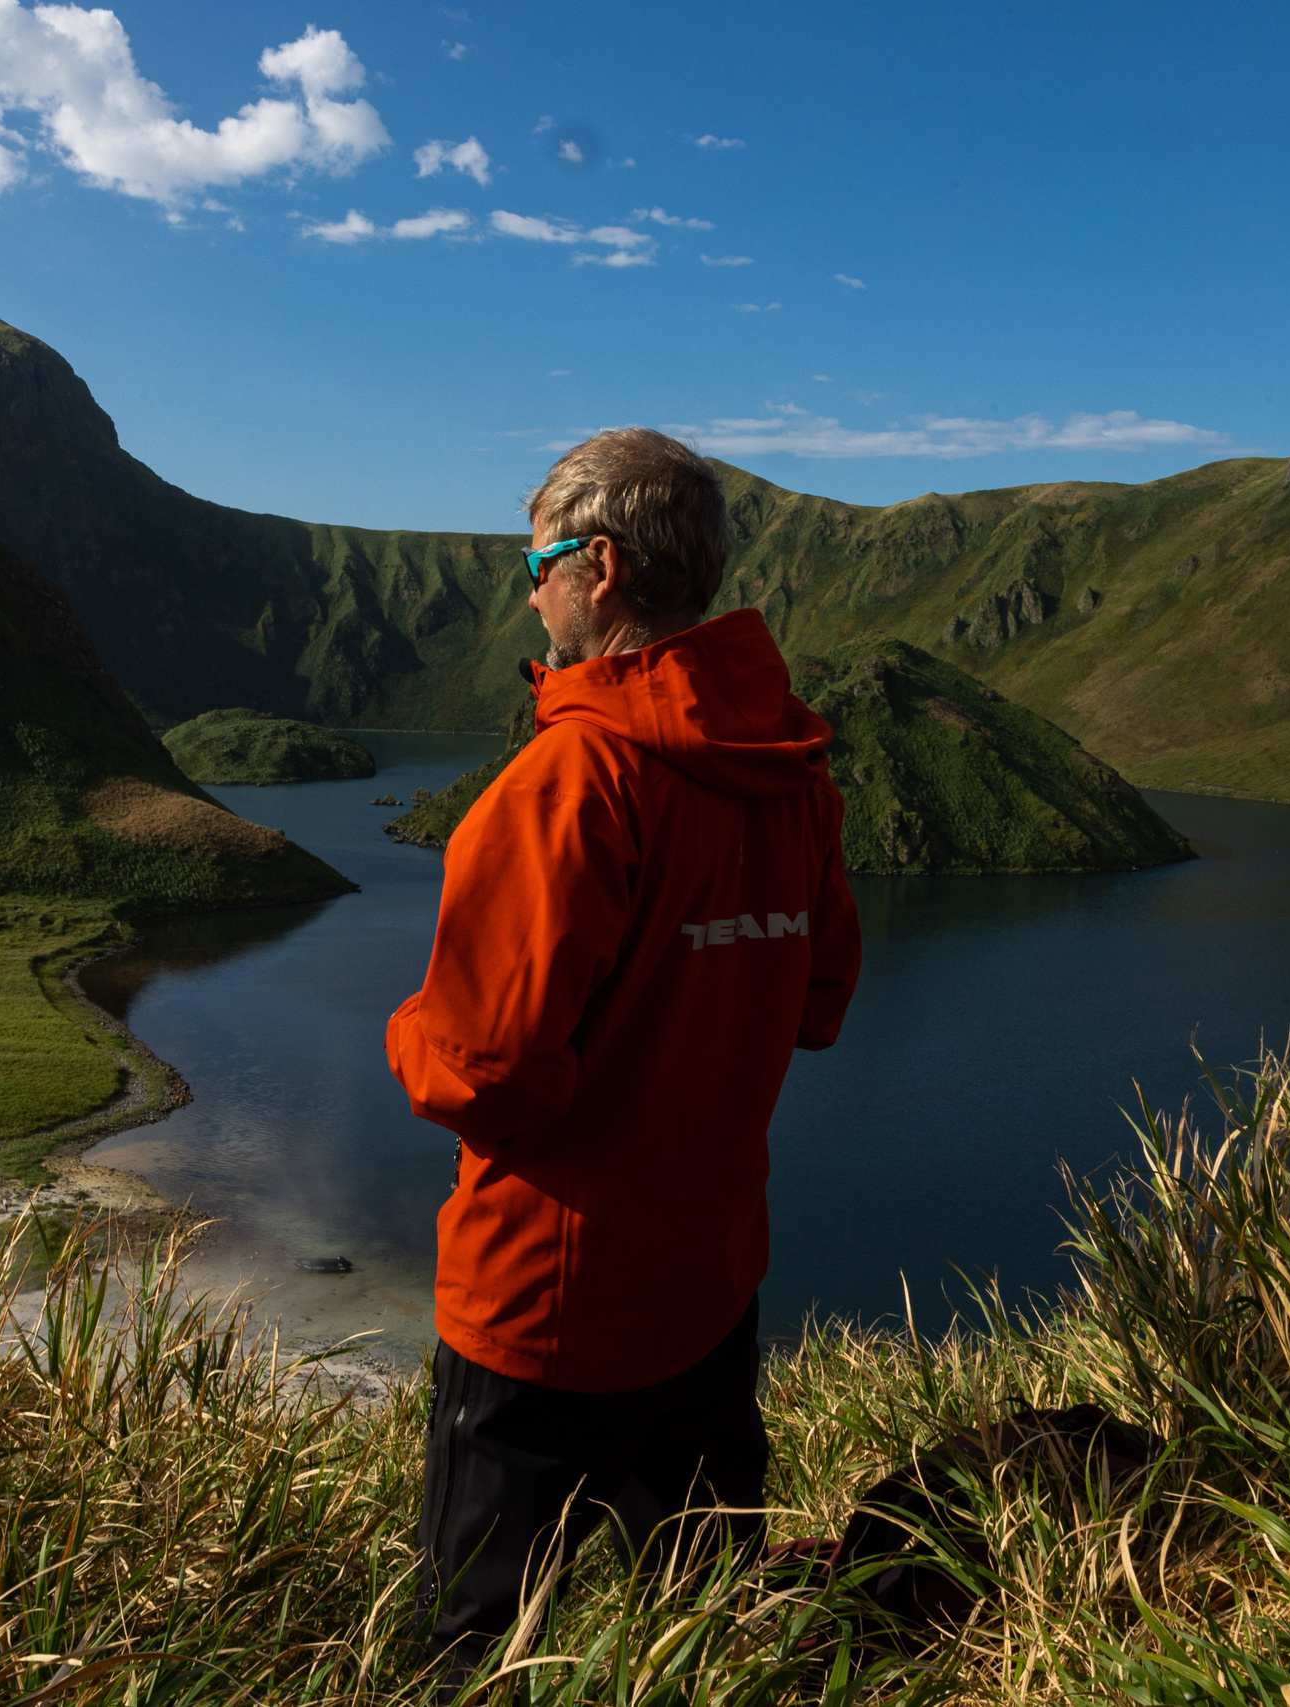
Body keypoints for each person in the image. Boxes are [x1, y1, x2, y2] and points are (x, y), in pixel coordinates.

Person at [385, 427, 863, 1678]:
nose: (524, 587)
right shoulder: (791, 776)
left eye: (534, 561)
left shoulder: (570, 784)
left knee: (472, 1655)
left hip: (542, 1308)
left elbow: (482, 1070)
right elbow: (818, 1000)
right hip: (707, 1286)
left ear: (596, 566)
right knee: (713, 1636)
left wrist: (403, 1030)